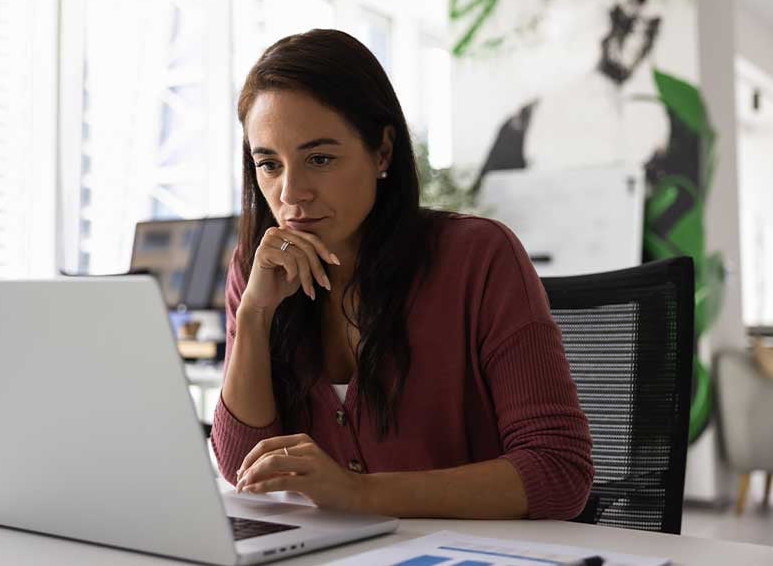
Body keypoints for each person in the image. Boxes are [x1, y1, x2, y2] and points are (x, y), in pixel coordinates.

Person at [211, 29, 593, 520]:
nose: (291, 193)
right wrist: (256, 313)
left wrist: (358, 493)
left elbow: (558, 471)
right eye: (269, 164)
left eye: (320, 158)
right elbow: (245, 468)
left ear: (382, 152)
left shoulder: (478, 257)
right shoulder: (258, 268)